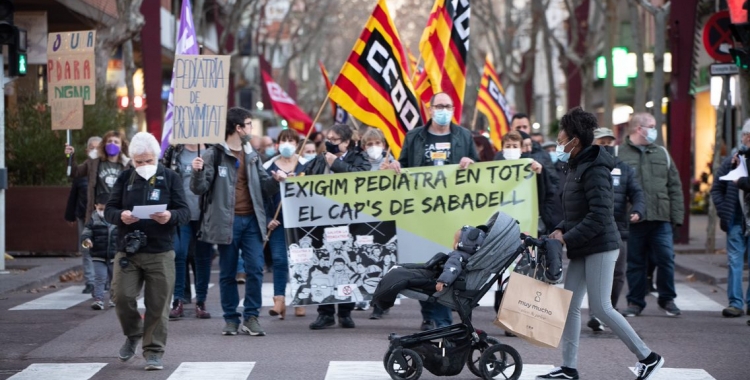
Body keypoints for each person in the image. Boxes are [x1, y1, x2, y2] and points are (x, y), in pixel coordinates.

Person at [538, 107, 663, 380]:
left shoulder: (595, 168)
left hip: (602, 245)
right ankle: (569, 368)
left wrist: (566, 237)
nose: (558, 142)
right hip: (584, 244)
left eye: (562, 138)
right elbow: (575, 212)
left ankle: (648, 357)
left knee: (602, 308)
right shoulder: (574, 165)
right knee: (569, 307)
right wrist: (559, 229)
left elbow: (600, 215)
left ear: (576, 139)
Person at [191, 107, 287, 337]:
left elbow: (264, 185)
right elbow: (199, 188)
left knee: (255, 268)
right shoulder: (213, 154)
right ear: (238, 128)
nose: (251, 129)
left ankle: (251, 317)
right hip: (226, 223)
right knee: (228, 272)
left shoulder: (252, 154)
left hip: (252, 221)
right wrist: (196, 172)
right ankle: (231, 319)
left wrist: (275, 181)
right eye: (249, 124)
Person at [387, 91, 478, 331]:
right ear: (430, 109)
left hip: (453, 213)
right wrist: (396, 166)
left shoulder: (464, 136)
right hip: (422, 214)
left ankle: (442, 317)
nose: (444, 109)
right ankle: (431, 315)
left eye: (448, 106)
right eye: (439, 105)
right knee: (426, 265)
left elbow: (481, 170)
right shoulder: (414, 137)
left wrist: (472, 164)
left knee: (450, 263)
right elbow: (403, 167)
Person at [104, 132, 190, 371]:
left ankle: (153, 352)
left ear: (157, 157)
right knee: (121, 297)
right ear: (131, 160)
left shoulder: (170, 178)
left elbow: (184, 212)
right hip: (127, 250)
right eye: (139, 162)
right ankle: (133, 333)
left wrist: (169, 216)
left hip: (160, 251)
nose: (144, 166)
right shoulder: (124, 178)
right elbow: (109, 210)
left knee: (158, 304)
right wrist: (120, 215)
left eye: (148, 161)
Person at [303, 123, 370, 329]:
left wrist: (336, 164)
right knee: (323, 265)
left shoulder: (359, 158)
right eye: (328, 140)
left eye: (334, 140)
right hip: (322, 222)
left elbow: (363, 179)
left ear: (346, 142)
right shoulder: (319, 159)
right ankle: (325, 312)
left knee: (347, 267)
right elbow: (306, 178)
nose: (330, 143)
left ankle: (345, 311)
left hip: (348, 223)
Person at [618, 113, 684, 318]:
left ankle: (667, 299)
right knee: (636, 262)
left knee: (666, 258)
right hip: (634, 219)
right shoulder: (620, 154)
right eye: (652, 126)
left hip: (661, 217)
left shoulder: (662, 153)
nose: (655, 130)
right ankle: (635, 302)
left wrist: (677, 218)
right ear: (639, 128)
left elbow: (675, 186)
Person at [587, 128, 646, 331]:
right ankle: (596, 312)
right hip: (592, 228)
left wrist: (638, 209)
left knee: (618, 272)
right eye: (601, 142)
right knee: (596, 271)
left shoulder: (624, 169)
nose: (605, 146)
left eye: (609, 142)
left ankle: (608, 308)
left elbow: (637, 192)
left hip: (618, 228)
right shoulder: (585, 167)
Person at [262, 129, 309, 319]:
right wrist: (267, 219)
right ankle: (279, 300)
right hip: (278, 221)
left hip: (302, 222)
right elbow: (262, 195)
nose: (287, 144)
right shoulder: (268, 166)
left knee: (300, 261)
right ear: (277, 144)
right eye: (284, 140)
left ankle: (300, 299)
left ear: (297, 144)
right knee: (280, 260)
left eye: (291, 140)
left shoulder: (307, 165)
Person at [162, 143, 212, 320]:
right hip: (180, 212)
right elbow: (164, 176)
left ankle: (201, 301)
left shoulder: (212, 150)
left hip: (205, 213)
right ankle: (178, 300)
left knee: (203, 257)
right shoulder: (174, 151)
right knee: (179, 253)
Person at [710, 119, 750, 318]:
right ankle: (735, 303)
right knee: (734, 261)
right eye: (746, 135)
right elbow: (716, 188)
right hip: (735, 220)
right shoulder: (732, 160)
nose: (746, 139)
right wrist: (723, 209)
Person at [66, 131, 131, 224]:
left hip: (117, 213)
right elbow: (75, 172)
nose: (112, 144)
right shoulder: (94, 162)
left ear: (122, 146)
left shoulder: (127, 165)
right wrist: (70, 156)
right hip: (97, 212)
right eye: (109, 141)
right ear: (104, 144)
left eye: (116, 142)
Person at [65, 136, 101, 294]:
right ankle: (90, 281)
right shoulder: (83, 170)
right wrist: (69, 156)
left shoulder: (105, 169)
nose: (94, 150)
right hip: (84, 217)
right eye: (91, 147)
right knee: (86, 248)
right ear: (87, 150)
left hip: (102, 216)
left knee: (103, 249)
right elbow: (73, 194)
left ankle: (104, 280)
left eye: (97, 147)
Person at [81, 192, 118, 310]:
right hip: (98, 255)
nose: (102, 212)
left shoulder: (116, 220)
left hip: (114, 255)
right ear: (95, 206)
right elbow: (86, 234)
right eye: (100, 209)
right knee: (100, 277)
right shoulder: (93, 220)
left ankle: (114, 299)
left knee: (115, 279)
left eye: (105, 209)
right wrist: (87, 241)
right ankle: (98, 299)